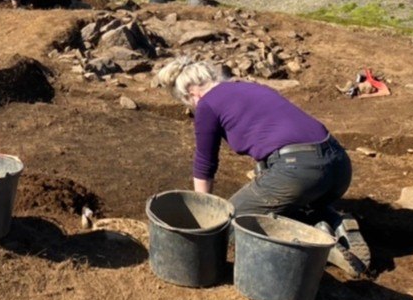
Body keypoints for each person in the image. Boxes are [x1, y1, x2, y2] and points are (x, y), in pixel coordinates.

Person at [156, 56, 370, 277]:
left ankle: (318, 243)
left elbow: (205, 161)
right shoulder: (249, 88)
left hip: (300, 171)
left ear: (191, 94)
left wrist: (202, 212)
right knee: (275, 189)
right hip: (338, 167)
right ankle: (335, 222)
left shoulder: (207, 104)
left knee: (230, 225)